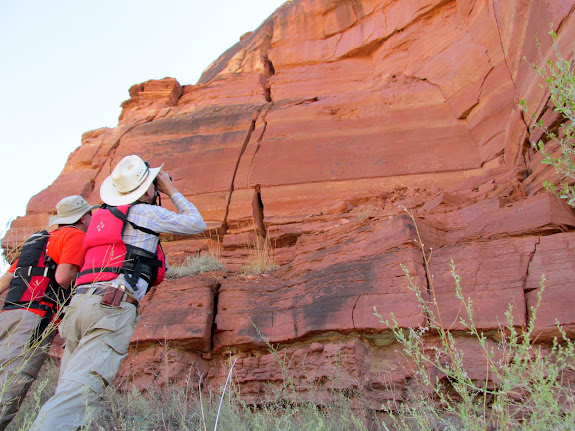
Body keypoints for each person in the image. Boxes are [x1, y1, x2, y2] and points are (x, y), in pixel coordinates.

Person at [30, 155, 206, 430]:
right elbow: (196, 223)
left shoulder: (101, 216)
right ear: (147, 188)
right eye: (153, 184)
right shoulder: (144, 213)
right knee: (75, 397)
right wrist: (170, 190)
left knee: (69, 393)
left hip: (78, 307)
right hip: (110, 307)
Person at [0, 195, 96, 430]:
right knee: (11, 385)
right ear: (83, 217)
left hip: (9, 313)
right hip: (34, 319)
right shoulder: (75, 236)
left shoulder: (37, 240)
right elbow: (63, 278)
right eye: (90, 215)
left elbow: (6, 281)